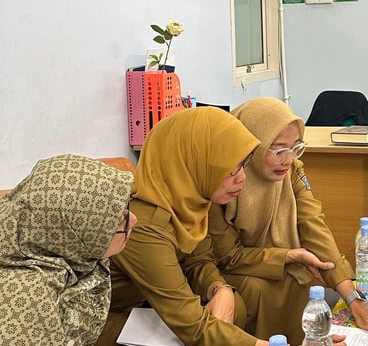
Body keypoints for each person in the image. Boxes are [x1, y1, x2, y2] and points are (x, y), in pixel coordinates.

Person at [96, 107, 348, 346]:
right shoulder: (143, 224)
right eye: (230, 170)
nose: (242, 178)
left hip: (147, 305)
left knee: (232, 303)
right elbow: (193, 326)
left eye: (242, 165)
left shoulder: (188, 200)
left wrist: (220, 288)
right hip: (108, 319)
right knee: (202, 330)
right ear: (194, 162)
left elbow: (198, 261)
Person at [208, 97, 368, 345]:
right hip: (224, 273)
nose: (288, 159)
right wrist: (288, 256)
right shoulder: (221, 180)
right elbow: (227, 256)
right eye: (278, 150)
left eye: (296, 147)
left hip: (271, 263)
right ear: (250, 146)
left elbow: (314, 226)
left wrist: (354, 301)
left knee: (294, 276)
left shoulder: (291, 171)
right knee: (260, 286)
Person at [0, 154, 135, 346]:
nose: (133, 220)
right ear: (74, 232)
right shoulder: (27, 300)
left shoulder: (65, 252)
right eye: (116, 220)